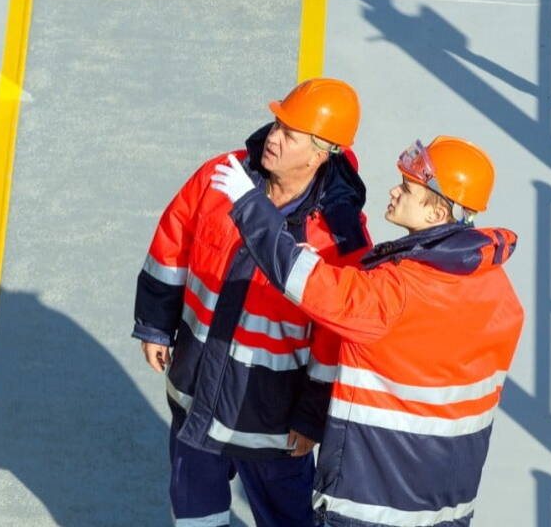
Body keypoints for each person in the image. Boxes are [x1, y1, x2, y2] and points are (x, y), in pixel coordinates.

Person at [208, 135, 524, 527]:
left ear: (435, 214)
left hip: (374, 502)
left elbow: (305, 284)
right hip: (445, 502)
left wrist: (250, 205)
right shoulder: (495, 289)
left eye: (408, 188)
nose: (394, 190)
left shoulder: (400, 291)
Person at [133, 78, 373, 526]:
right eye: (277, 123)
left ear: (320, 153)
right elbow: (172, 244)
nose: (273, 138)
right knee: (194, 513)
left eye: (289, 135)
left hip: (271, 421)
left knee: (287, 517)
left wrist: (311, 415)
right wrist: (154, 323)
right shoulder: (221, 176)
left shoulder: (340, 241)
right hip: (194, 392)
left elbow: (336, 341)